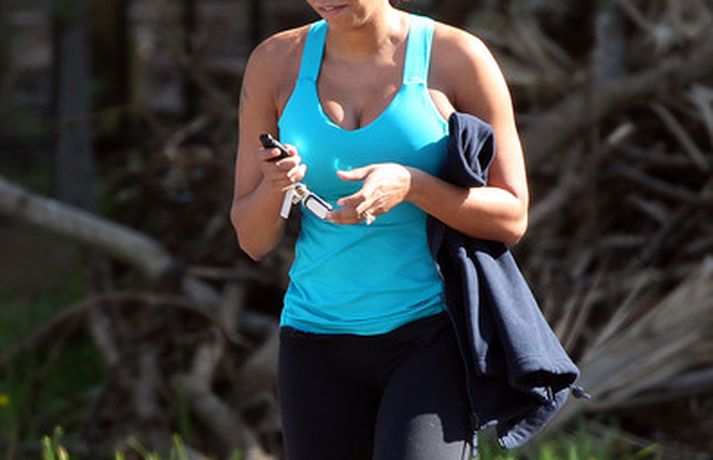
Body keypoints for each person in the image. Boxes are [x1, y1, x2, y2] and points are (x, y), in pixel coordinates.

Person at [230, 1, 529, 458]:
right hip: (314, 339)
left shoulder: (457, 57)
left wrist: (413, 186)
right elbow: (252, 240)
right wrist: (275, 187)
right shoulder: (274, 61)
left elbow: (512, 216)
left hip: (431, 334)